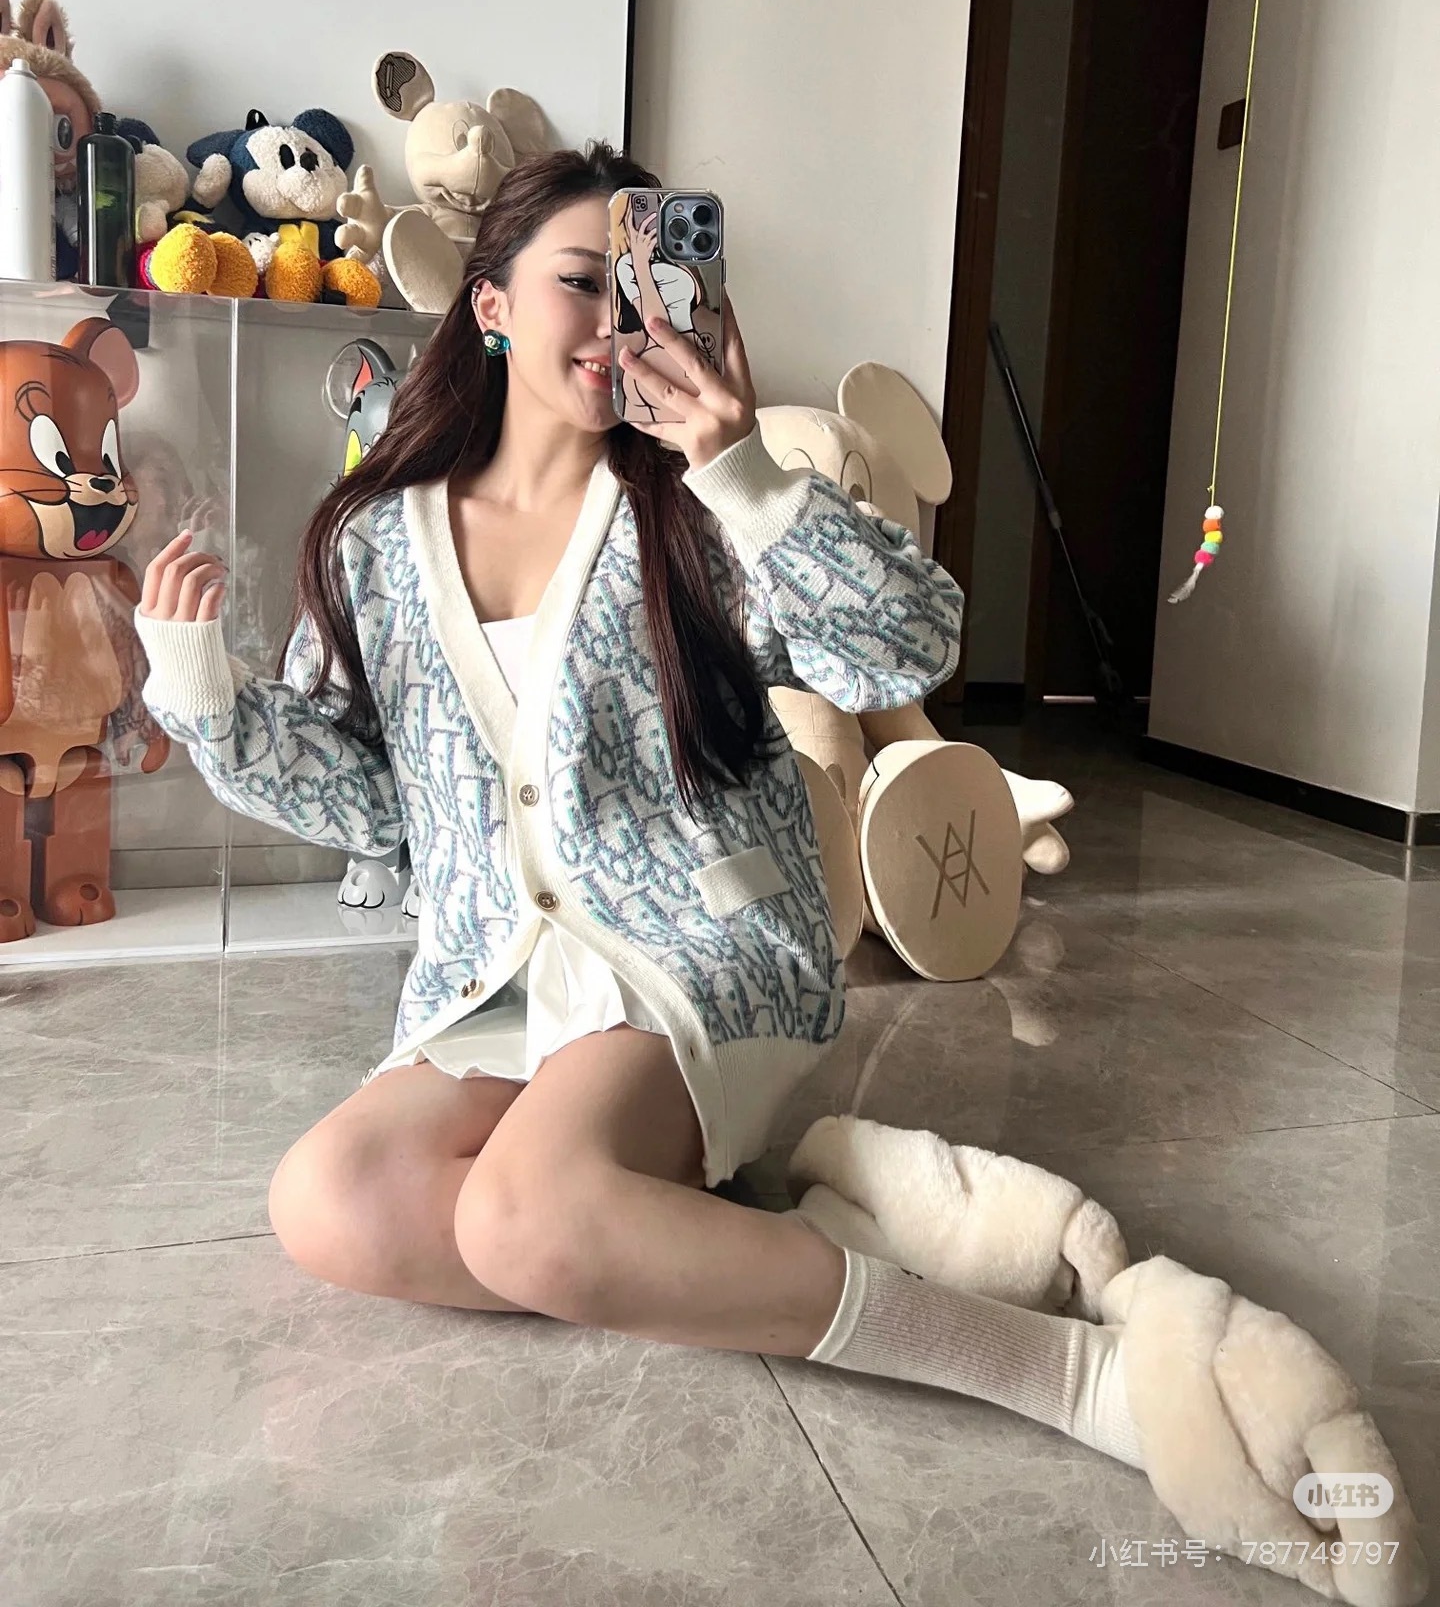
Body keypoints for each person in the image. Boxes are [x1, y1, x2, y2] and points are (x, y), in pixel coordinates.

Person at [134, 144, 1423, 1594]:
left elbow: (904, 650)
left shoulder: (698, 508)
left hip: (707, 947)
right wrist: (208, 702)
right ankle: (726, 1234)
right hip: (501, 967)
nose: (616, 323)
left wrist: (740, 467)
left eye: (640, 287)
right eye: (580, 285)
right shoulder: (380, 539)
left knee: (518, 1214)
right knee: (329, 1203)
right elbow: (376, 804)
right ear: (489, 307)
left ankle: (1069, 1374)